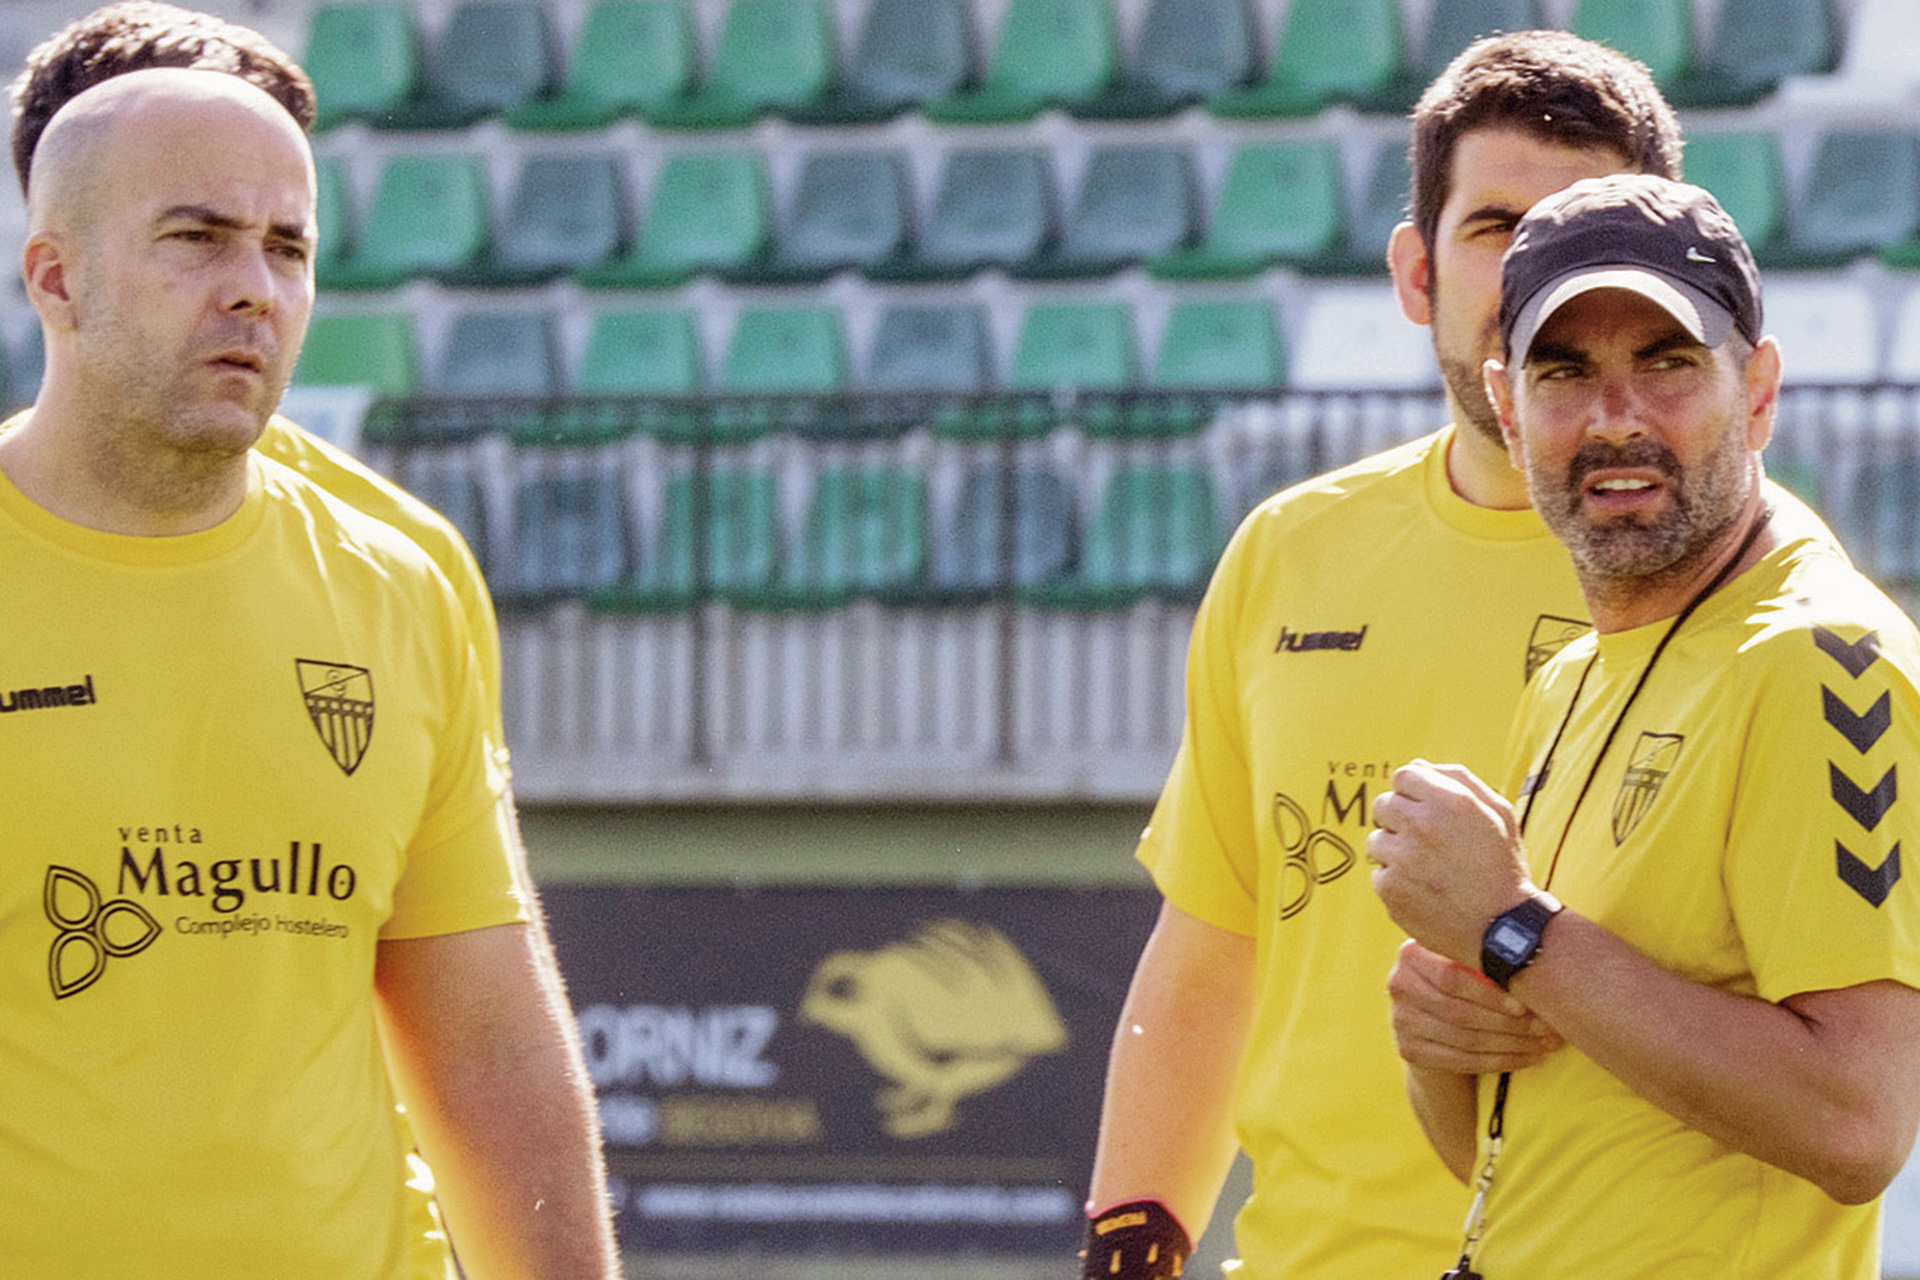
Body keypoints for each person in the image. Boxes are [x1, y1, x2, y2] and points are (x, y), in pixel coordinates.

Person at [1079, 32, 1688, 1279]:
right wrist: (1130, 1242)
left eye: (1581, 230)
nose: (1534, 272)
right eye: (1496, 228)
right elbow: (1210, 951)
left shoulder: (1743, 589)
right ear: (1416, 271)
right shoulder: (1289, 551)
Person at [0, 68, 617, 1277]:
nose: (254, 288)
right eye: (197, 239)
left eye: (289, 248)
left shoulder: (400, 584)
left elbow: (490, 1047)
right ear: (56, 278)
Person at [1369, 173, 1920, 1278]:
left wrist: (1514, 931)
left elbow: (1858, 1122)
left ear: (1758, 391)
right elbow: (1517, 1162)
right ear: (1507, 406)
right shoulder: (1573, 674)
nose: (1616, 417)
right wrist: (1441, 1046)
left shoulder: (1821, 660)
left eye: (1667, 364)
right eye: (1565, 372)